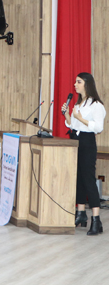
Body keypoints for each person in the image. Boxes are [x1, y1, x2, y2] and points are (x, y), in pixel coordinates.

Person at [62, 72, 106, 235]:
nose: (75, 84)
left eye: (78, 82)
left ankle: (96, 219)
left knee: (88, 179)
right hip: (76, 140)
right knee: (78, 178)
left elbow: (98, 128)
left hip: (87, 143)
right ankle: (80, 214)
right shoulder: (79, 103)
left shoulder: (96, 105)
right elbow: (73, 125)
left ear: (87, 84)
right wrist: (68, 115)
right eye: (75, 82)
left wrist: (80, 118)